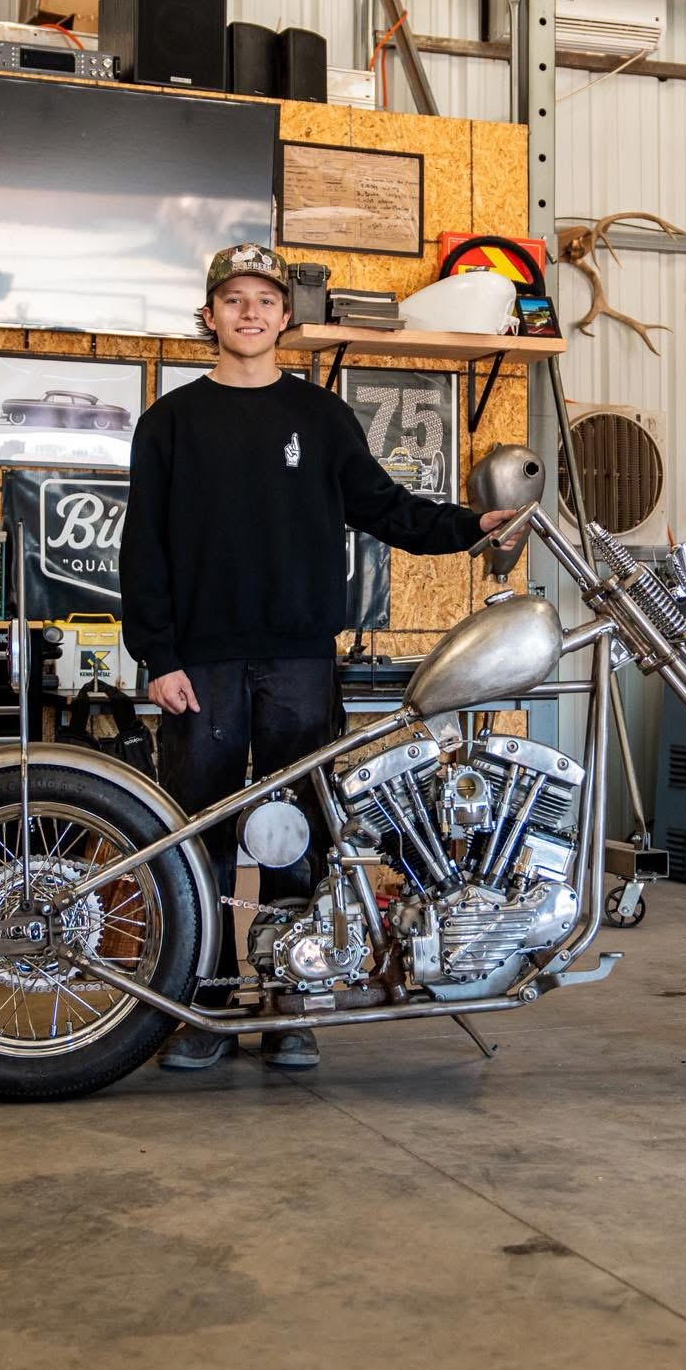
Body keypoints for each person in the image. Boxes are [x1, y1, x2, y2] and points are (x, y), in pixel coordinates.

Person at [120, 242, 521, 1072]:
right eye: (234, 300)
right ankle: (204, 1007)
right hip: (202, 664)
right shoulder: (170, 422)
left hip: (300, 659)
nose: (250, 313)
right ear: (210, 315)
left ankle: (289, 1001)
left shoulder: (321, 416)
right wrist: (158, 657)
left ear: (285, 317)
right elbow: (143, 550)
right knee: (200, 839)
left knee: (299, 833)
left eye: (265, 300)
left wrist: (468, 527)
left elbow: (386, 508)